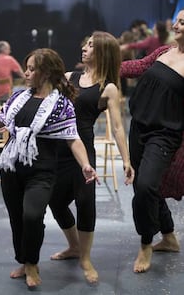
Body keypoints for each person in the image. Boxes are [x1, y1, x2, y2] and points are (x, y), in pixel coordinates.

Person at [0, 48, 98, 289]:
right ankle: (27, 262)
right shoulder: (18, 97)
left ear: (46, 72)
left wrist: (86, 165)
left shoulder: (62, 105)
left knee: (33, 215)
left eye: (31, 69)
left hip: (42, 171)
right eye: (26, 68)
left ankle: (32, 261)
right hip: (11, 168)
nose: (25, 73)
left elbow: (73, 138)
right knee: (17, 219)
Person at [48, 31, 135, 284]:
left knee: (86, 202)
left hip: (84, 149)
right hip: (58, 149)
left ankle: (85, 257)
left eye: (91, 46)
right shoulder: (67, 78)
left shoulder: (107, 87)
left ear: (103, 52)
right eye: (85, 44)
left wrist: (127, 160)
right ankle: (74, 246)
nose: (84, 48)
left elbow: (118, 127)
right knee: (55, 201)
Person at [119, 9, 184, 273]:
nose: (176, 25)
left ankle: (146, 243)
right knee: (145, 187)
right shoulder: (164, 51)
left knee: (145, 186)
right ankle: (168, 236)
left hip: (165, 134)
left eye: (183, 22)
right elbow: (139, 67)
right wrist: (107, 66)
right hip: (139, 126)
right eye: (177, 20)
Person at [0, 40, 25, 105]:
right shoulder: (9, 59)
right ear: (4, 49)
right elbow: (22, 74)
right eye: (9, 49)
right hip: (6, 93)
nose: (10, 51)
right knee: (23, 89)